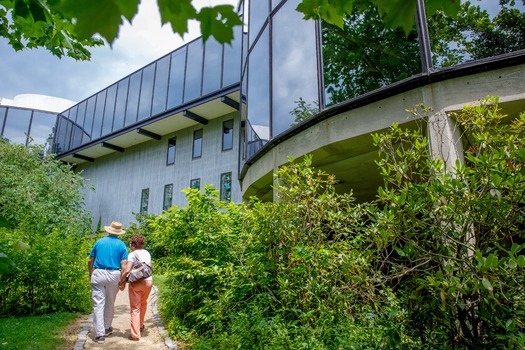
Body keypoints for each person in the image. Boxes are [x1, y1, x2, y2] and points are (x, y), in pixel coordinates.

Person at [88, 221, 128, 344]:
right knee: (110, 301)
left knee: (98, 303)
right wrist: (122, 281)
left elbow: (90, 260)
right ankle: (106, 327)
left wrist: (91, 273)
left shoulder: (99, 242)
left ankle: (99, 334)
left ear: (108, 230)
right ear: (119, 233)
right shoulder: (122, 245)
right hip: (114, 274)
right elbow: (124, 266)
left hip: (98, 272)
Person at [119, 234, 153, 341]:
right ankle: (141, 325)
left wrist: (122, 280)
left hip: (136, 283)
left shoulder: (132, 254)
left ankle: (135, 334)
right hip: (148, 282)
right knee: (143, 303)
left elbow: (127, 270)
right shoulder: (147, 253)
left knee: (135, 308)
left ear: (133, 244)